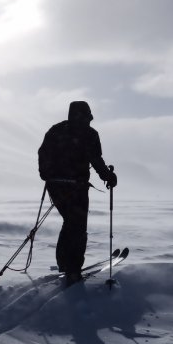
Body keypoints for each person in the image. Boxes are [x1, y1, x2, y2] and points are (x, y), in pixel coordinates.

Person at [38, 101, 118, 283]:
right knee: (78, 226)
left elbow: (43, 153)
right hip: (77, 187)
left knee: (70, 222)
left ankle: (65, 264)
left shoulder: (55, 130)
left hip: (56, 186)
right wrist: (109, 177)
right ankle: (72, 270)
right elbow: (96, 160)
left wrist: (47, 175)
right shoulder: (89, 134)